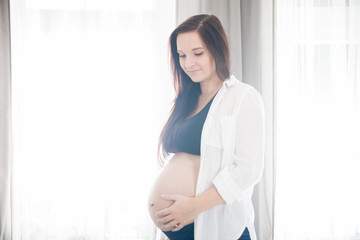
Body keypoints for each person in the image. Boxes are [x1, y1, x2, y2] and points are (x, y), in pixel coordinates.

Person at [147, 14, 265, 240]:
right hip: (182, 227)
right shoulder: (186, 99)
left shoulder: (243, 97)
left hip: (216, 222)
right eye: (181, 55)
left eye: (197, 53)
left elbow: (248, 170)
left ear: (217, 49)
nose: (188, 63)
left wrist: (193, 207)